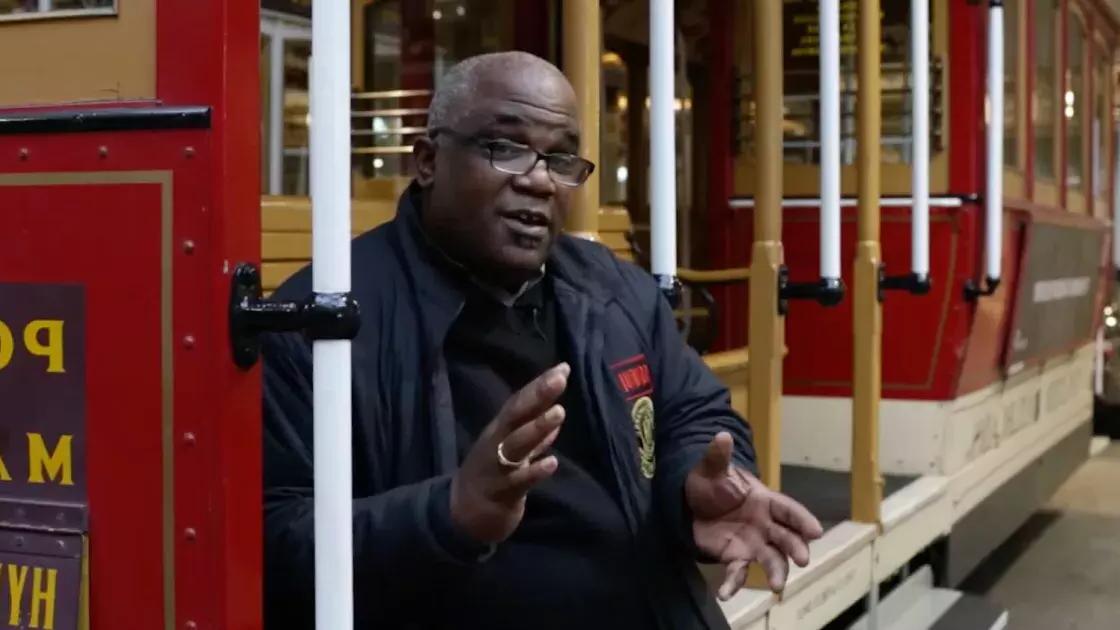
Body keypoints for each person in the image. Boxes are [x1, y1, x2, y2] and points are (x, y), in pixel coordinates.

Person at [262, 51, 822, 630]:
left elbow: (696, 413)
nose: (537, 180)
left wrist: (691, 490)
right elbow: (275, 540)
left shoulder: (613, 290)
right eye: (504, 149)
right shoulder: (323, 321)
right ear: (427, 161)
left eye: (560, 159)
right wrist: (450, 514)